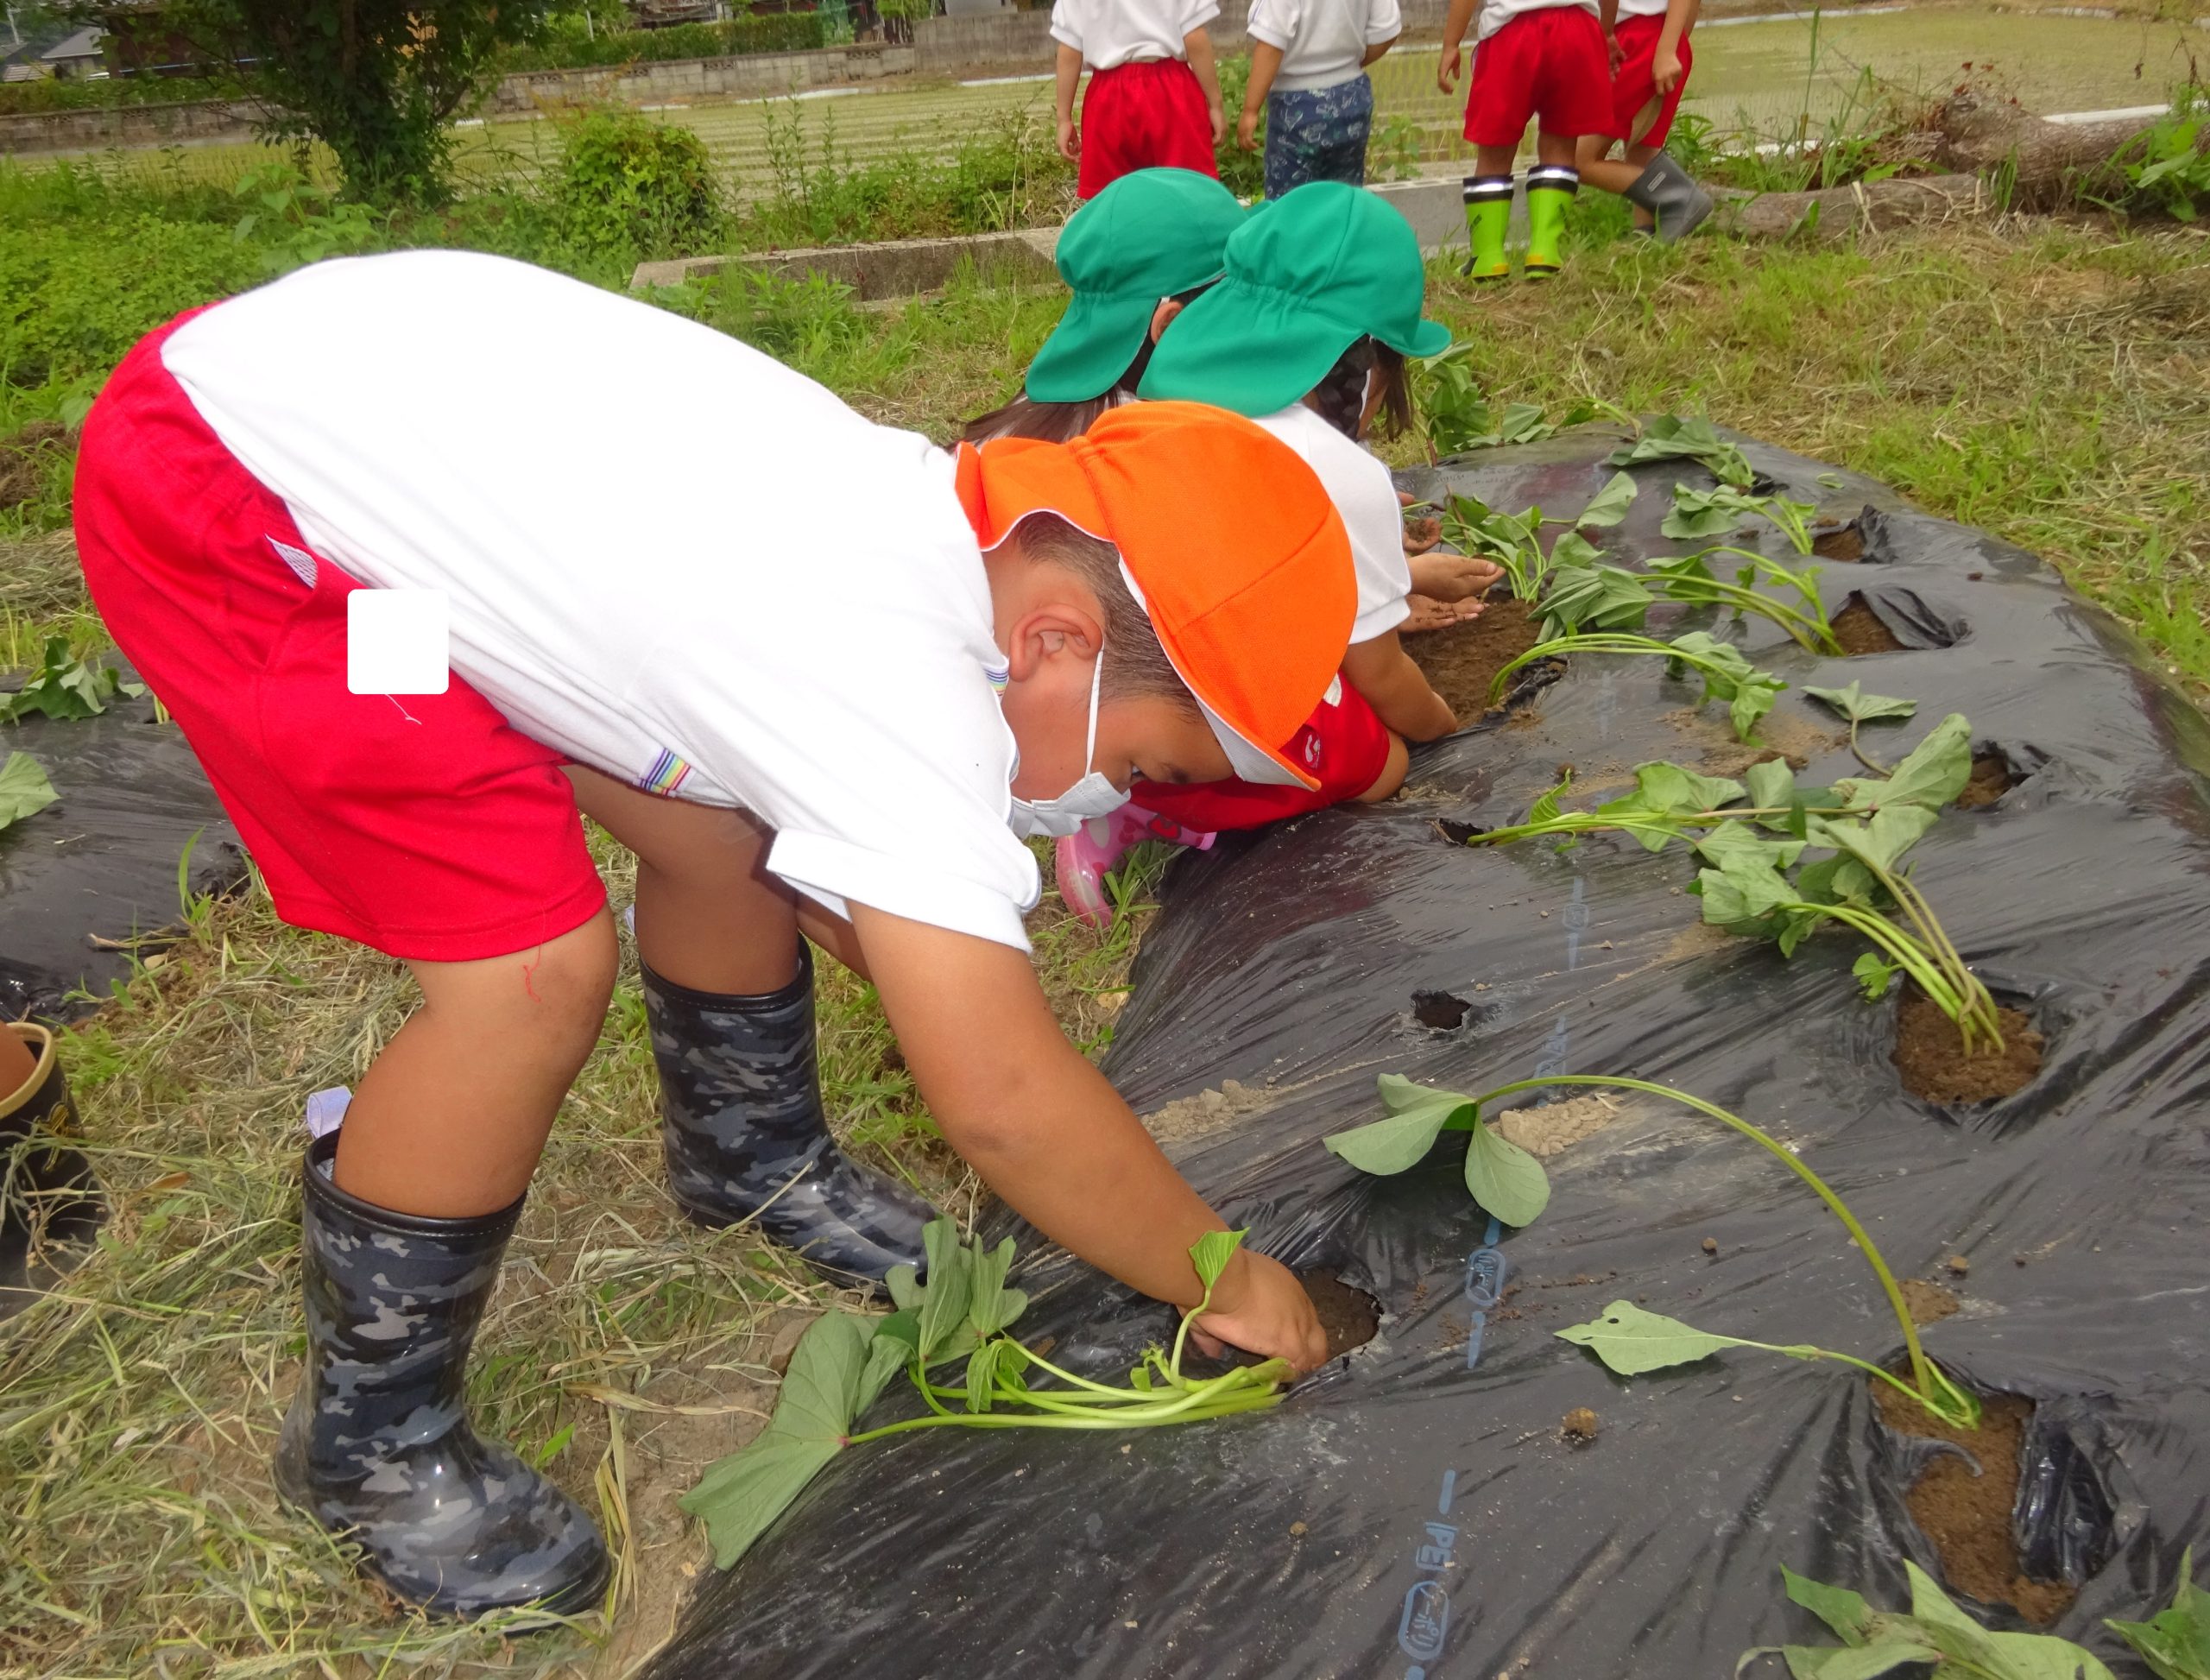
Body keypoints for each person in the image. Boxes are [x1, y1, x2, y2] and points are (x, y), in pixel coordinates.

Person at [72, 249, 1338, 1617]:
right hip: (241, 509)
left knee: (723, 828)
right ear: (1057, 641)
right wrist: (1225, 1273)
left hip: (360, 425)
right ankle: (370, 1445)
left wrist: (955, 991)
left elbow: (870, 917)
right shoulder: (884, 676)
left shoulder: (927, 537)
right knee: (528, 976)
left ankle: (754, 1165)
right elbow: (1005, 1105)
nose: (1119, 796)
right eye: (1144, 763)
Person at [1032, 181, 1496, 923]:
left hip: (1099, 703)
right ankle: (1182, 815)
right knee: (1384, 762)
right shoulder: (1340, 472)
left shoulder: (1157, 406)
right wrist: (1447, 724)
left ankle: (1123, 798)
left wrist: (1402, 575)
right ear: (1365, 364)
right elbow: (1376, 669)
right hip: (1201, 712)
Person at [1438, 0, 1613, 281]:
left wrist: (1451, 44)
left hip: (1513, 30)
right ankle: (1544, 250)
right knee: (1561, 139)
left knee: (1495, 151)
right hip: (1577, 28)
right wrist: (1605, 33)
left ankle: (1488, 257)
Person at [1052, 0, 1227, 199]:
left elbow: (1069, 49)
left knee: (1114, 201)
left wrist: (1064, 118)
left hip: (1108, 100)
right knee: (1188, 192)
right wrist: (1215, 104)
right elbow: (1194, 37)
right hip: (1170, 92)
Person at [1236, 0, 1402, 198]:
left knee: (1292, 204)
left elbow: (1271, 43)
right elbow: (1387, 29)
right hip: (1352, 96)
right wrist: (1350, 62)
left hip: (1298, 106)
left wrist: (1250, 110)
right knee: (1343, 197)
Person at [1575, 0, 1714, 239]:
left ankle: (1679, 198)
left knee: (1576, 160)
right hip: (1644, 39)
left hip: (1641, 41)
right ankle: (1646, 238)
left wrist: (1667, 49)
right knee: (1642, 150)